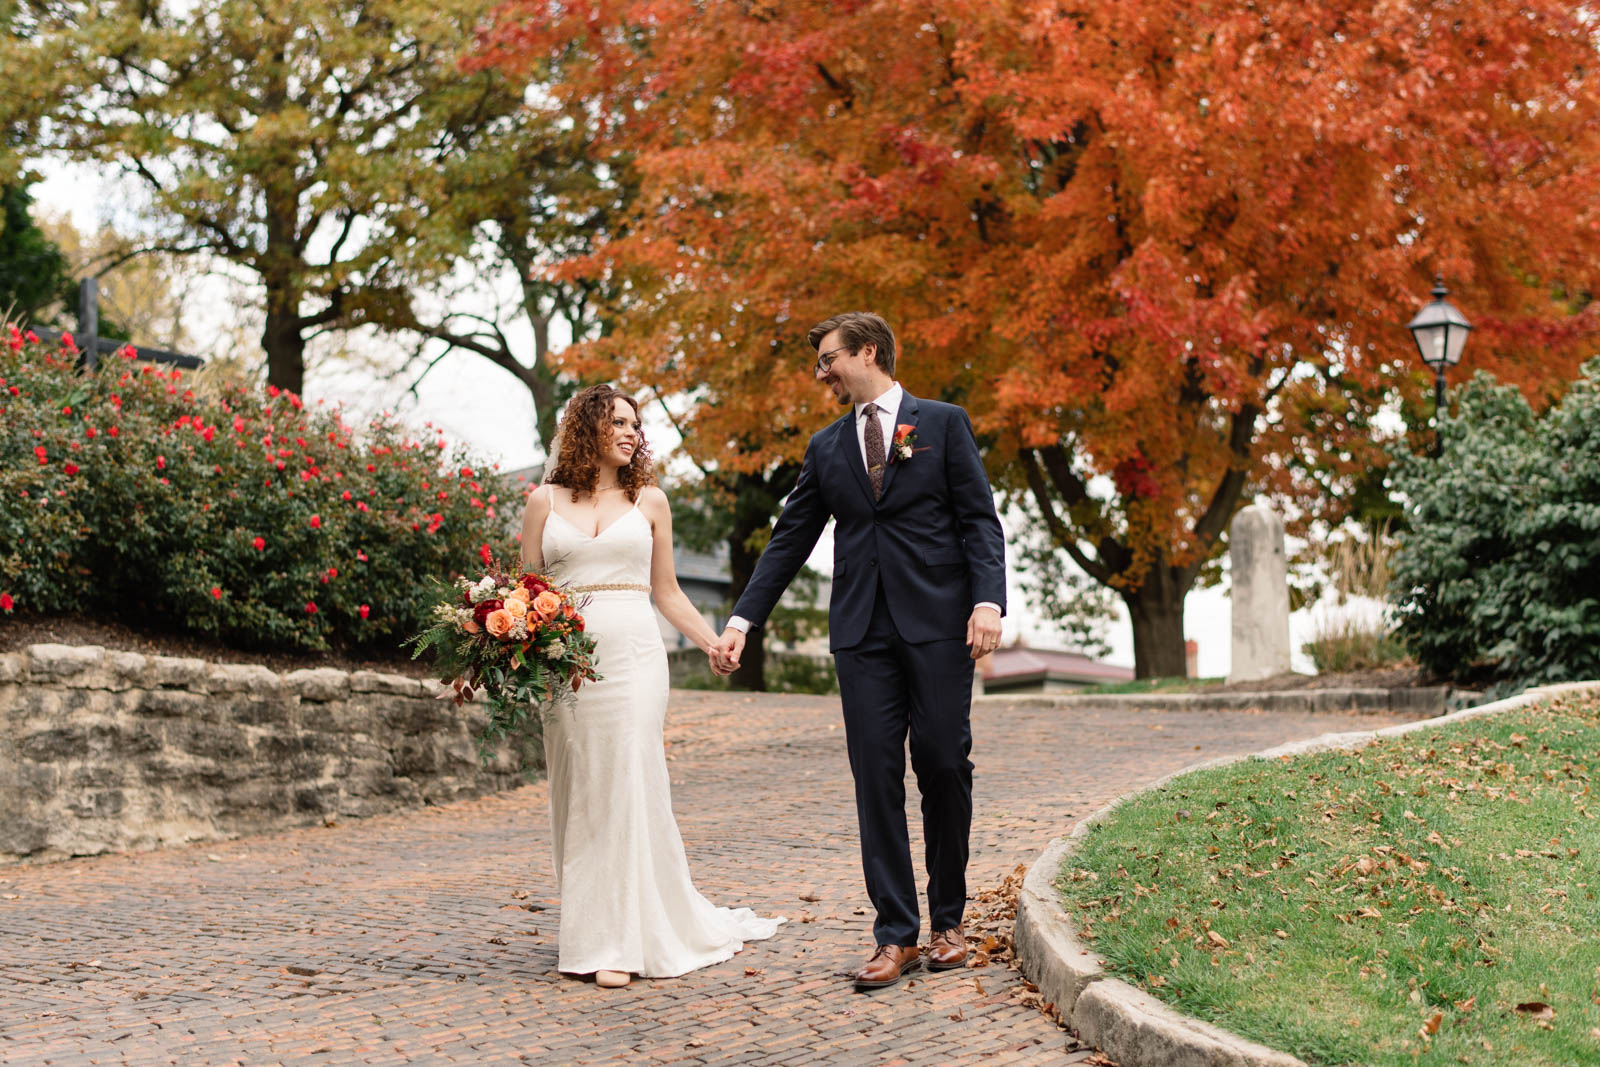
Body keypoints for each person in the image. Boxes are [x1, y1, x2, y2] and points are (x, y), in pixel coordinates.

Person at [712, 312, 1006, 991]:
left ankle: (949, 921)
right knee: (875, 777)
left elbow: (978, 521)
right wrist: (742, 620)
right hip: (860, 634)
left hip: (938, 625)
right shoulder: (825, 448)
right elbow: (790, 539)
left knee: (941, 762)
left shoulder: (942, 423)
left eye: (828, 358)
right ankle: (895, 934)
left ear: (868, 351)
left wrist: (987, 601)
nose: (822, 372)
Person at [520, 384, 782, 988]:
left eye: (636, 425)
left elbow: (666, 591)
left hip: (635, 657)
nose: (632, 432)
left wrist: (713, 641)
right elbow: (528, 592)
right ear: (587, 427)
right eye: (618, 421)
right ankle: (589, 930)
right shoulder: (542, 502)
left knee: (630, 784)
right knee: (580, 792)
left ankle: (620, 944)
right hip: (566, 666)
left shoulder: (652, 502)